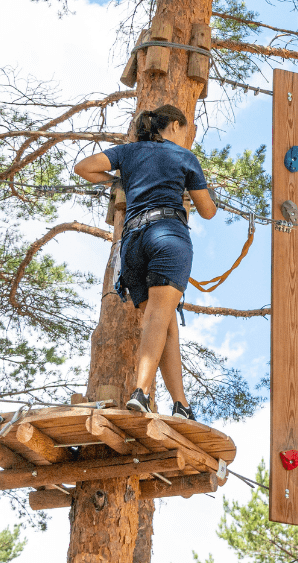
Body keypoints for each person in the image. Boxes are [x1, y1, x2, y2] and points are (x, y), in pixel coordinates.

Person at [73, 104, 217, 420]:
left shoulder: (130, 152)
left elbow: (83, 167)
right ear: (177, 125)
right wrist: (197, 192)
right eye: (187, 128)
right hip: (168, 235)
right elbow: (207, 211)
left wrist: (118, 183)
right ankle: (142, 392)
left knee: (162, 322)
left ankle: (181, 405)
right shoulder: (184, 157)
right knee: (158, 316)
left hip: (134, 244)